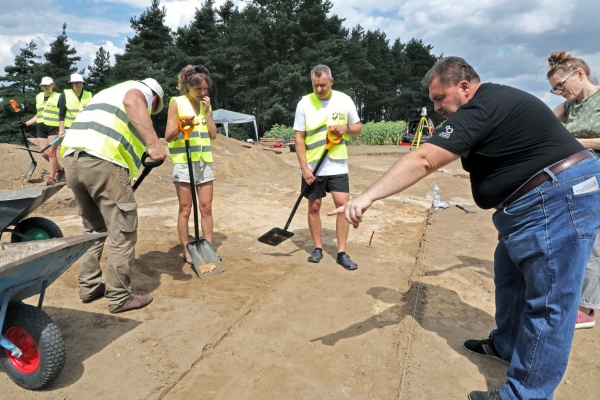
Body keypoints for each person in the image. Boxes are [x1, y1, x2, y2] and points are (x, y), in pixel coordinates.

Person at [330, 56, 600, 400]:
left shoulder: (482, 106)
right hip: (532, 202)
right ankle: (506, 345)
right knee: (509, 275)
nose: (437, 106)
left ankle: (525, 395)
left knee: (549, 304)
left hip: (558, 196)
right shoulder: (490, 105)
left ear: (464, 86)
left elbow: (424, 159)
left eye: (440, 98)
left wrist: (364, 198)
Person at [60, 78, 168, 313]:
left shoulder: (106, 94)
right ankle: (119, 297)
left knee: (94, 230)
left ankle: (88, 287)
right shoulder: (139, 92)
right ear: (155, 98)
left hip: (73, 162)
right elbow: (133, 101)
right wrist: (154, 144)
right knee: (123, 233)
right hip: (103, 162)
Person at [547, 50, 600, 330]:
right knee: (577, 238)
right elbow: (544, 124)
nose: (558, 92)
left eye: (560, 85)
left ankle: (587, 309)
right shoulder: (571, 106)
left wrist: (579, 144)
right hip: (580, 179)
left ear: (579, 74)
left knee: (593, 244)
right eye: (553, 88)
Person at [293, 64, 362, 270]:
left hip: (338, 165)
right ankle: (317, 248)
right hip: (313, 167)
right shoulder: (304, 103)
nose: (319, 89)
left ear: (331, 81)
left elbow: (358, 128)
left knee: (343, 207)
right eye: (315, 86)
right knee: (314, 207)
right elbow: (299, 137)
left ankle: (341, 252)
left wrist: (346, 128)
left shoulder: (344, 100)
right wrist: (304, 168)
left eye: (323, 85)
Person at [164, 65, 218, 264]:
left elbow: (213, 135)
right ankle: (188, 250)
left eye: (205, 89)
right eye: (198, 90)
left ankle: (208, 249)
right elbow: (168, 137)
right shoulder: (177, 103)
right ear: (188, 86)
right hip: (184, 162)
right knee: (186, 209)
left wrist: (207, 113)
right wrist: (181, 128)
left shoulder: (206, 105)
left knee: (206, 207)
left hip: (204, 162)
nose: (202, 93)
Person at [21, 77, 64, 185]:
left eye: (48, 85)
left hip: (54, 127)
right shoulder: (39, 97)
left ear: (53, 85)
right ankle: (61, 169)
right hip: (41, 127)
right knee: (44, 153)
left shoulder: (59, 97)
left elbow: (62, 115)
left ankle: (51, 178)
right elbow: (39, 114)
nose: (46, 87)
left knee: (51, 153)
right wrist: (26, 123)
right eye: (44, 85)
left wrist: (61, 129)